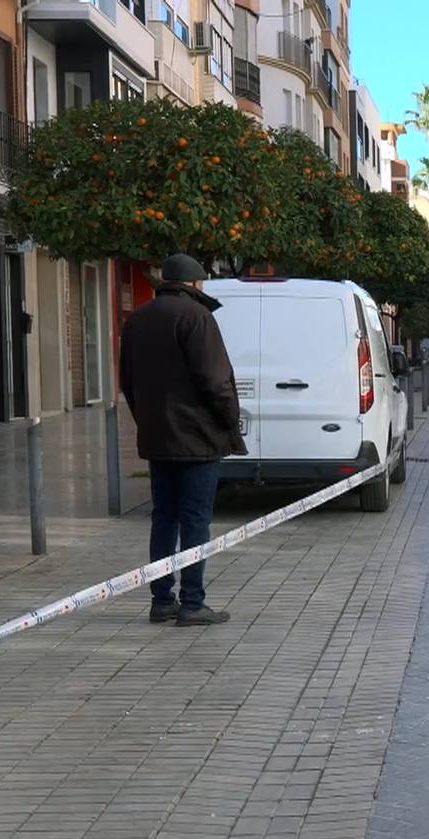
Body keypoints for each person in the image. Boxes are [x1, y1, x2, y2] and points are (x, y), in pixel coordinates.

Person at [118, 253, 246, 628]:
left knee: (164, 518)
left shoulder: (137, 320)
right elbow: (216, 380)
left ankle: (161, 600)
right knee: (195, 521)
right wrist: (230, 422)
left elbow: (127, 382)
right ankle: (192, 602)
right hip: (198, 439)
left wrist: (146, 419)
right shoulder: (196, 317)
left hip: (158, 437)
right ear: (193, 284)